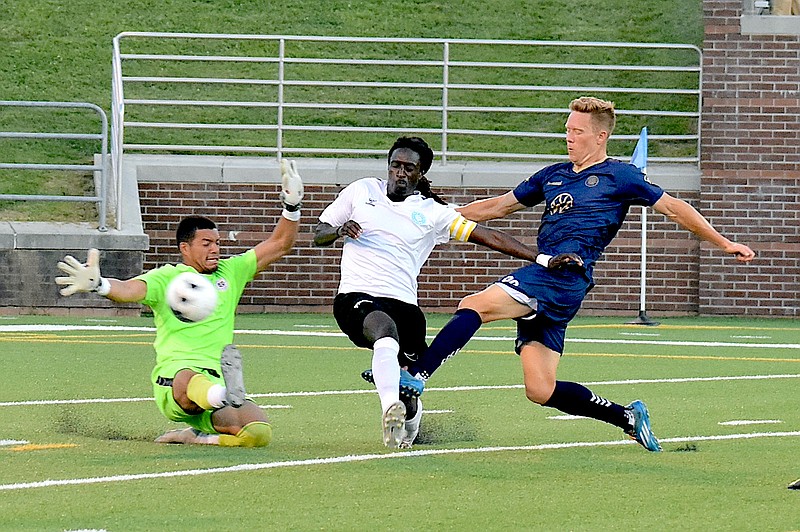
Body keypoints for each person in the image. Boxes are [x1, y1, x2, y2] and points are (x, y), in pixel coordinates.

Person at [366, 97, 756, 452]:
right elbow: (499, 207)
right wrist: (435, 214)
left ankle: (417, 374)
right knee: (540, 389)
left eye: (577, 131)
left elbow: (676, 209)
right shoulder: (551, 174)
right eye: (567, 129)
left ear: (601, 136)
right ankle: (627, 416)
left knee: (476, 305)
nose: (569, 136)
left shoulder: (620, 176)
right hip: (551, 279)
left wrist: (722, 243)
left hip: (564, 277)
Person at [54, 160, 305, 447]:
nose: (215, 249)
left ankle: (197, 436)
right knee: (188, 376)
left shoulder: (230, 272)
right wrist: (101, 285)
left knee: (258, 434)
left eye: (218, 242)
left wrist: (292, 206)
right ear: (185, 248)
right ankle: (224, 396)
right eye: (206, 243)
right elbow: (129, 290)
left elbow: (280, 244)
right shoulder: (168, 278)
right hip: (175, 382)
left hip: (214, 381)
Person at [314, 136, 540, 449]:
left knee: (409, 384)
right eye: (395, 165)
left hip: (406, 308)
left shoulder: (432, 212)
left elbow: (485, 235)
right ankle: (388, 407)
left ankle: (407, 424)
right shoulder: (362, 190)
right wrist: (339, 230)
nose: (400, 173)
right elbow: (318, 233)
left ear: (421, 174)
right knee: (384, 330)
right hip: (356, 296)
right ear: (388, 166)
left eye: (409, 168)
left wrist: (539, 258)